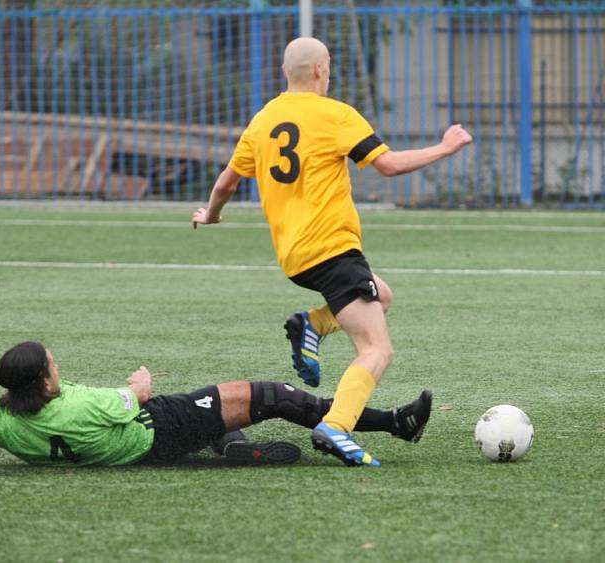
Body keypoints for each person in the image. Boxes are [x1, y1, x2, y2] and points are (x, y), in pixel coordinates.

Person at [192, 37, 471, 467]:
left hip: (296, 258)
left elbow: (227, 181)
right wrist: (445, 147)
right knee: (377, 350)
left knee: (383, 294)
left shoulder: (264, 119)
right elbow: (389, 165)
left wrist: (211, 215)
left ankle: (312, 324)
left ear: (288, 72)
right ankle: (336, 425)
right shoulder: (336, 114)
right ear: (321, 70)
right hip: (334, 250)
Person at [0, 341, 432, 470]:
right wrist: (138, 377)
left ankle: (228, 445)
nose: (57, 365)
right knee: (274, 395)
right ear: (46, 380)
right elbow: (136, 395)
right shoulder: (87, 407)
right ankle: (390, 424)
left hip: (125, 448)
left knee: (237, 409)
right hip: (151, 429)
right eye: (52, 362)